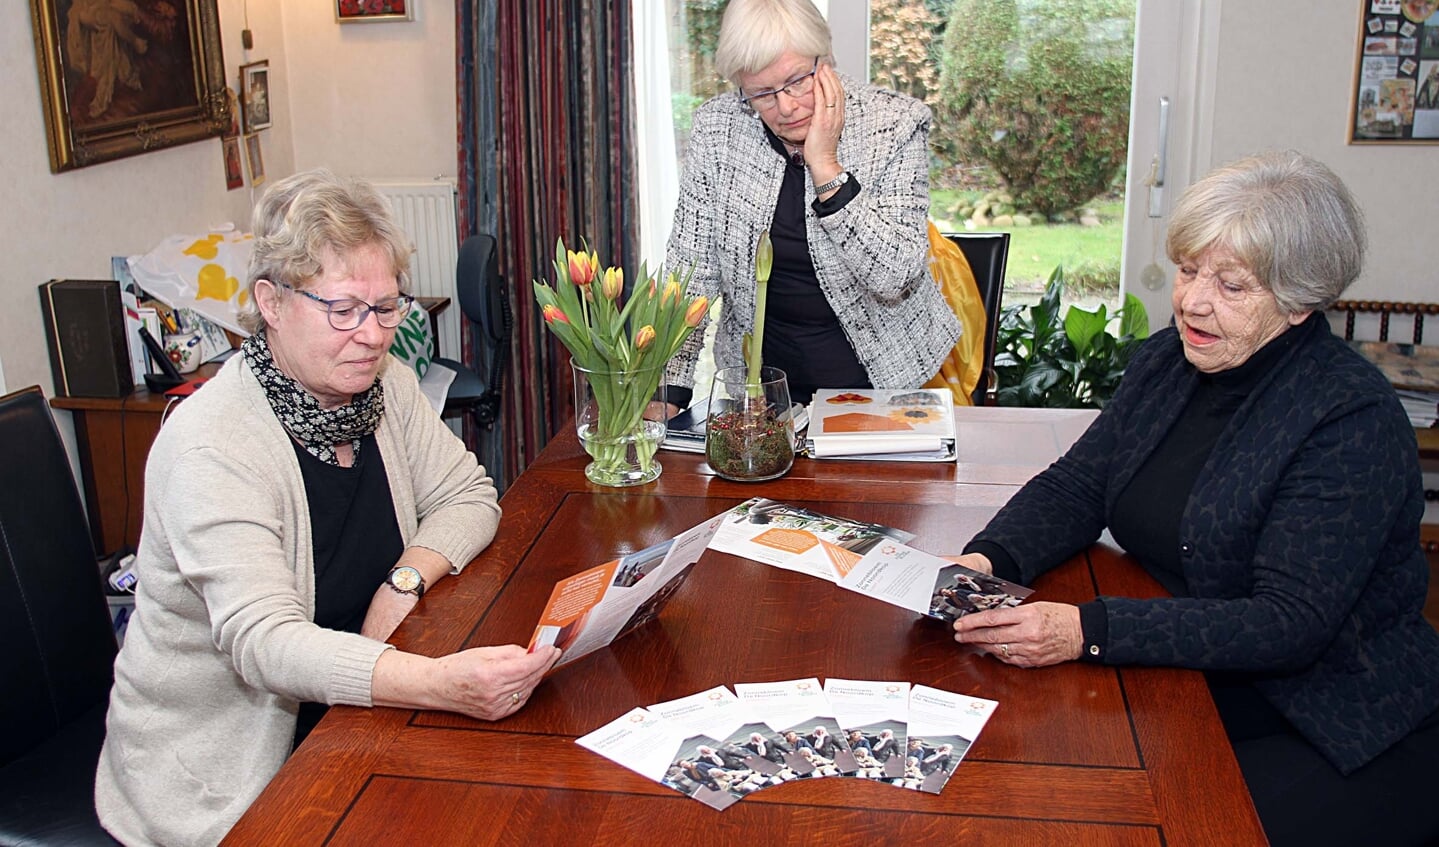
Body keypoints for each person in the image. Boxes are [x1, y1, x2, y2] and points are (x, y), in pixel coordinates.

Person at [948, 151, 1439, 847]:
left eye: (1231, 284)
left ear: (1297, 301)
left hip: (1328, 718)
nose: (1192, 300)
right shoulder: (1167, 360)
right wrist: (986, 558)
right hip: (1191, 674)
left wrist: (1086, 630)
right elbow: (1078, 483)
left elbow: (1287, 623)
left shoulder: (1346, 420)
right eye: (1187, 270)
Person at [95, 169, 561, 846]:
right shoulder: (213, 443)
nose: (372, 335)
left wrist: (406, 578)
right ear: (272, 302)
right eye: (343, 309)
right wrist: (435, 683)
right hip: (228, 771)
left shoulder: (381, 387)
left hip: (349, 710)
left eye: (385, 305)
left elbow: (468, 496)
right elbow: (266, 644)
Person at [658, 0, 959, 409]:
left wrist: (825, 167)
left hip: (882, 388)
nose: (786, 107)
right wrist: (668, 390)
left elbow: (896, 275)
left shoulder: (893, 124)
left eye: (798, 80)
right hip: (761, 396)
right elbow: (689, 271)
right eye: (761, 93)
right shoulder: (718, 129)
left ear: (826, 60)